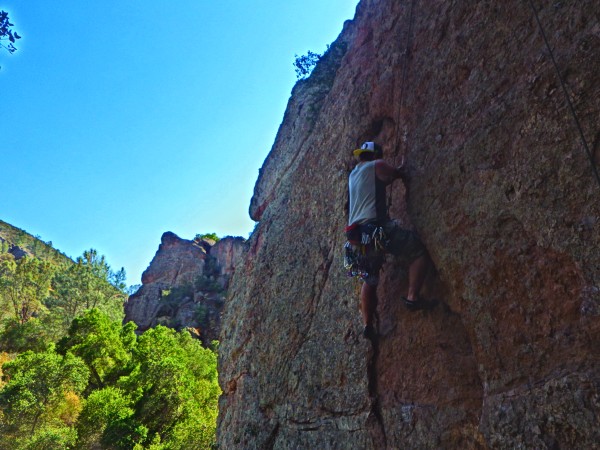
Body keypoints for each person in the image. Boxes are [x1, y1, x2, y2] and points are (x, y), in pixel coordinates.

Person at [345, 141, 433, 338]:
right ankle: (412, 297)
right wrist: (400, 172)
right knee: (417, 251)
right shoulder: (376, 165)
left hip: (356, 236)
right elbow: (391, 173)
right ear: (375, 153)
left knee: (370, 279)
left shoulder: (353, 175)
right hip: (374, 228)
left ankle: (367, 325)